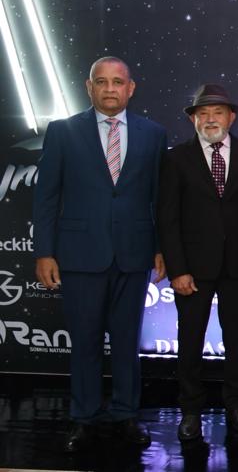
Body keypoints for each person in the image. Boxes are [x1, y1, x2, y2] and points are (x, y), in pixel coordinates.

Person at [32, 56, 167, 452]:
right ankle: (85, 417)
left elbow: (161, 199)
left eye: (118, 82)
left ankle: (125, 415)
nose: (110, 89)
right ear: (89, 87)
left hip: (134, 254)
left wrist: (162, 248)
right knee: (85, 342)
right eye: (102, 82)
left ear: (131, 88)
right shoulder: (62, 132)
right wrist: (44, 252)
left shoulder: (153, 134)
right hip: (79, 255)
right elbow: (46, 198)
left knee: (127, 343)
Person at [157, 84, 238, 442]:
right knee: (190, 339)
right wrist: (177, 269)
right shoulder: (176, 158)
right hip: (192, 269)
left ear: (231, 117)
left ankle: (236, 405)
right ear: (193, 119)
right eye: (203, 113)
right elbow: (167, 218)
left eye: (217, 112)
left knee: (237, 339)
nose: (210, 119)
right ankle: (190, 410)